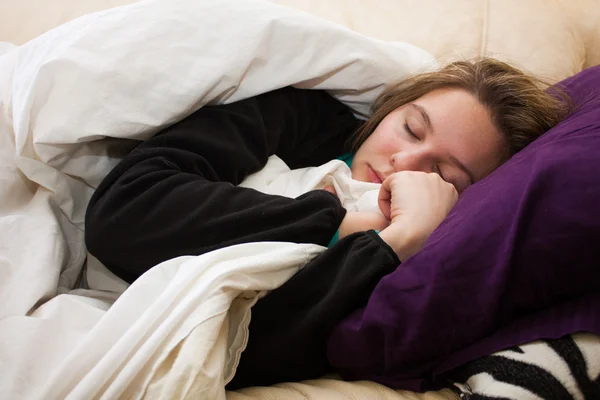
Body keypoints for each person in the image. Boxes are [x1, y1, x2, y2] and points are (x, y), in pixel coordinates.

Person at [84, 58, 570, 388]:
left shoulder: (431, 255)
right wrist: (348, 225)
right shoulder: (299, 114)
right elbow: (124, 212)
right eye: (411, 128)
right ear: (388, 109)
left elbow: (258, 347)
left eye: (442, 172)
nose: (404, 161)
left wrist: (397, 244)